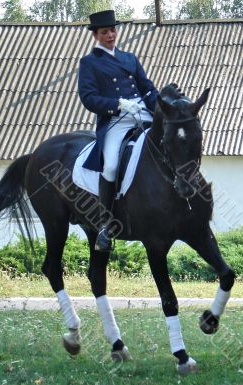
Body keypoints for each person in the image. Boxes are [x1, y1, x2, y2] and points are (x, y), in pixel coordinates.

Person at [78, 9, 159, 252]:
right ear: (96, 36)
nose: (111, 35)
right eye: (105, 32)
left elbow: (148, 88)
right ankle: (105, 224)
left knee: (171, 141)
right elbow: (88, 97)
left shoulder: (129, 58)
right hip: (115, 119)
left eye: (113, 30)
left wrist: (161, 107)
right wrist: (118, 104)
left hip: (142, 112)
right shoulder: (89, 63)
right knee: (111, 164)